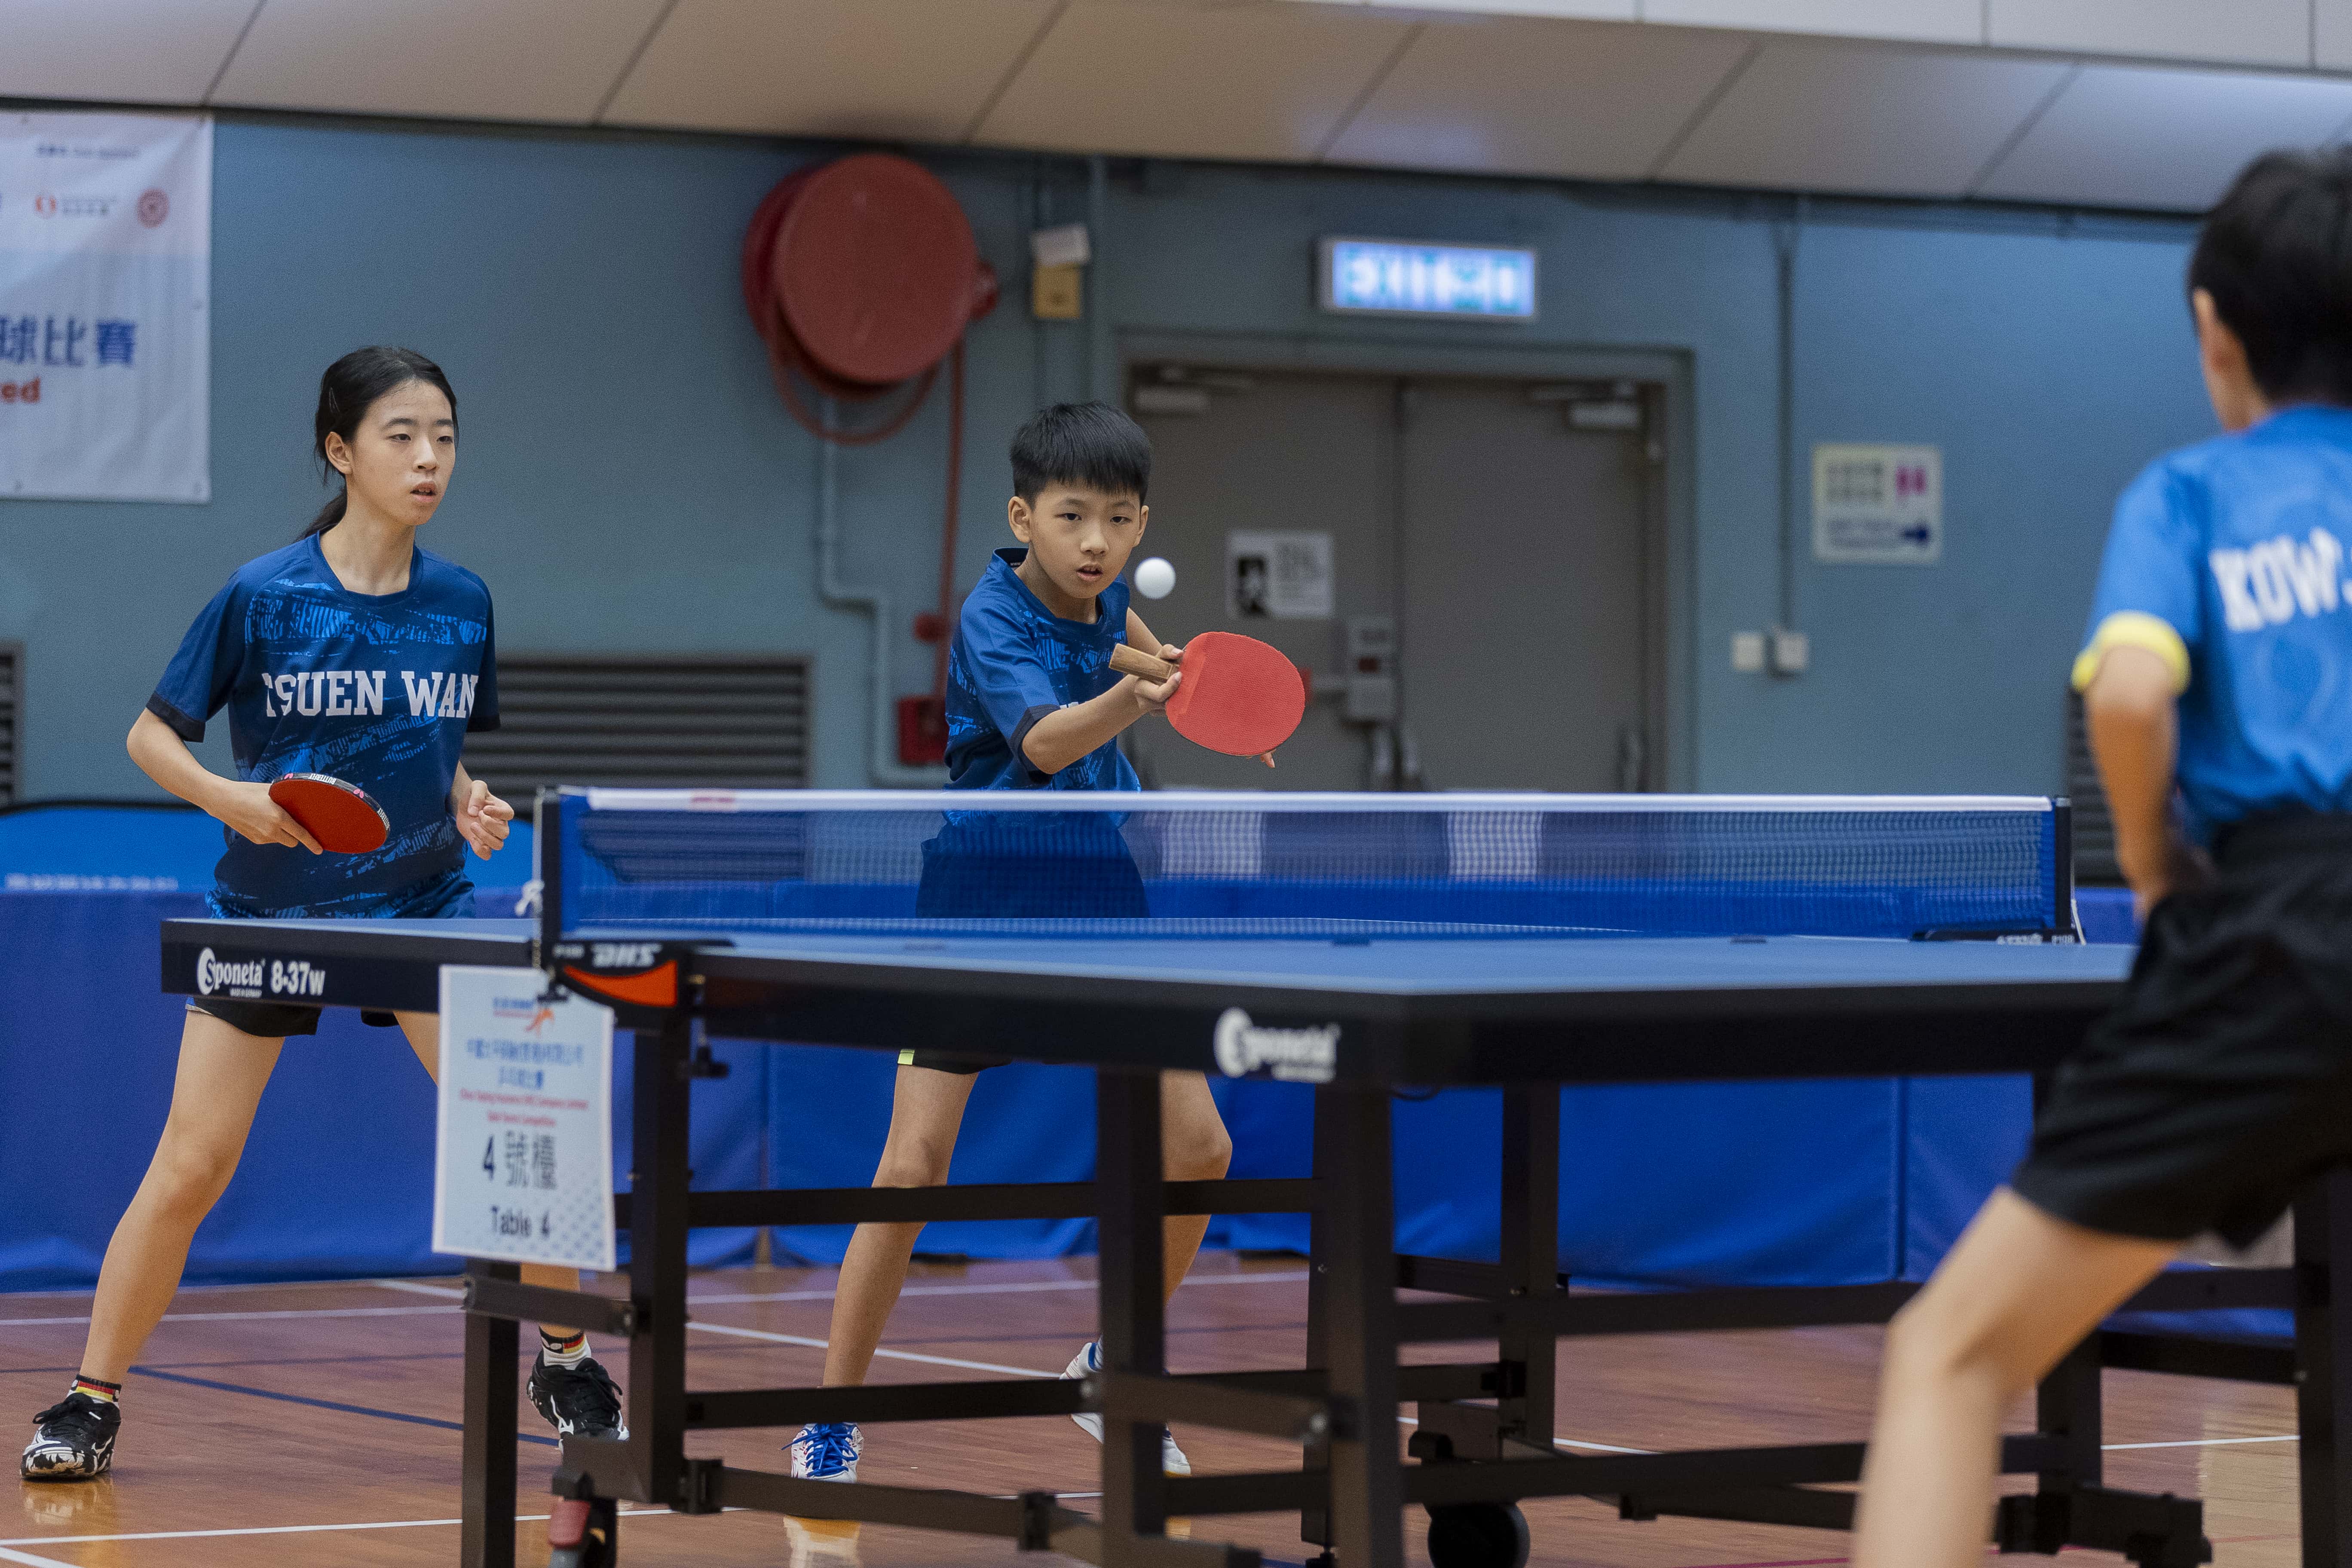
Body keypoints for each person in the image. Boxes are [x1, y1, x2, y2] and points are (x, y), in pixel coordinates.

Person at [1854, 149, 2352, 1568]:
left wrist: (2151, 862)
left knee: (1951, 1352)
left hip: (2277, 939)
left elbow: (2129, 697)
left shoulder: (2190, 493)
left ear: (2215, 330)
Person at [21, 347, 624, 1484]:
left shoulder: (463, 603)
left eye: (445, 436)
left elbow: (429, 747)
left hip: (424, 908)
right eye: (402, 436)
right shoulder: (263, 595)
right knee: (192, 1165)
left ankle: (566, 1358)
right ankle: (91, 1397)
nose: (430, 458)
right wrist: (231, 799)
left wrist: (467, 797)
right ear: (341, 451)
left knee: (518, 1141)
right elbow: (151, 735)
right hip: (272, 913)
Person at [787, 402, 1234, 1484]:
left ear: (1141, 526)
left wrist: (1181, 683)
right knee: (914, 1164)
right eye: (1072, 517)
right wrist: (1137, 696)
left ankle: (1116, 1367)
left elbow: (1141, 667)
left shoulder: (1109, 599)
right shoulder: (991, 615)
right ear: (1023, 516)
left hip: (1100, 889)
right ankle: (829, 1417)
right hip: (980, 898)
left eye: (1118, 520)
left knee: (1199, 1147)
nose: (1095, 541)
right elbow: (1043, 743)